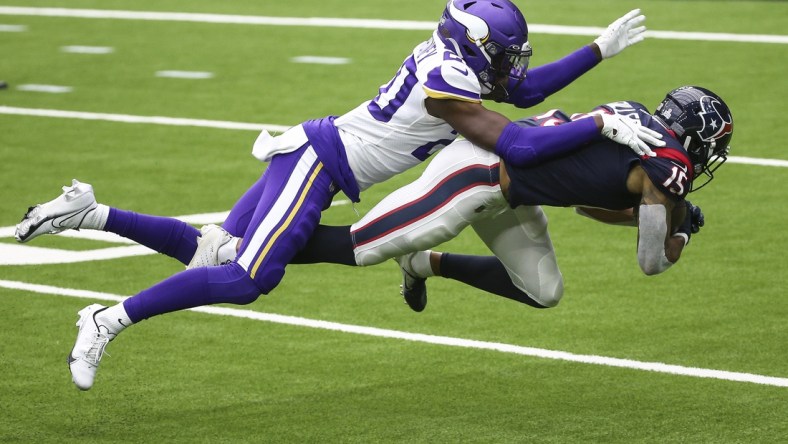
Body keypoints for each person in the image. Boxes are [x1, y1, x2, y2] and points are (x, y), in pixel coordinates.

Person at [14, 1, 660, 391]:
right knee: (243, 279)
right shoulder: (447, 78)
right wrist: (598, 123)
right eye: (505, 52)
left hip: (322, 159)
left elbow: (519, 92)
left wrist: (597, 50)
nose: (512, 63)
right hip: (318, 163)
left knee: (215, 251)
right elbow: (518, 145)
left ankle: (89, 211)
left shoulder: (457, 62)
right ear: (474, 48)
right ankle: (106, 319)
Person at [288, 85, 733, 312]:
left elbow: (584, 202)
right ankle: (247, 247)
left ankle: (421, 263)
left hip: (510, 192)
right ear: (695, 139)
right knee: (361, 247)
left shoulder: (637, 120)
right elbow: (652, 262)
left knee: (543, 291)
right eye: (712, 146)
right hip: (474, 173)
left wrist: (655, 215)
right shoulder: (668, 167)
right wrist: (681, 233)